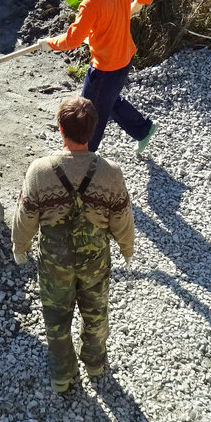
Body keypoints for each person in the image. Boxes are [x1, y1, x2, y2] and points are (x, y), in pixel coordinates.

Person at [11, 97, 135, 393]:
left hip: (55, 268)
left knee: (56, 322)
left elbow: (25, 217)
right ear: (92, 130)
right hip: (95, 265)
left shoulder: (39, 171)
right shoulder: (111, 172)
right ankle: (94, 364)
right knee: (96, 315)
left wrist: (20, 247)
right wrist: (126, 249)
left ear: (60, 128)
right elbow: (122, 218)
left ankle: (62, 377)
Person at [35, 0, 165, 154]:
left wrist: (49, 44)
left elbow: (73, 40)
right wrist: (139, 5)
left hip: (107, 67)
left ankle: (84, 157)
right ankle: (143, 129)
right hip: (125, 56)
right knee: (108, 98)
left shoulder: (92, 2)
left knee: (89, 112)